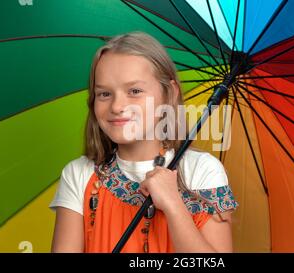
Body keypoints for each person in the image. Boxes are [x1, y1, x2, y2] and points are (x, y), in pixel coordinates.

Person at [49, 32, 238, 253]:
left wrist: (174, 205)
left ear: (169, 93)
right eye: (104, 94)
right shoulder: (79, 175)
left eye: (135, 91)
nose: (118, 106)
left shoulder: (201, 171)